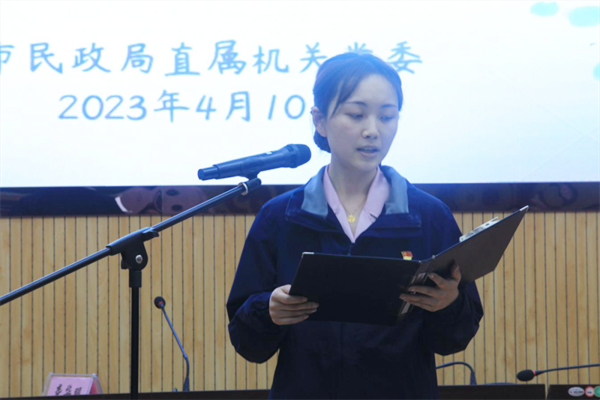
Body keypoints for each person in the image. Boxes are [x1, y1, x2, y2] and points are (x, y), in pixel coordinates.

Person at [226, 53, 483, 400]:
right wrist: (268, 311)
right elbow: (247, 343)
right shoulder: (280, 217)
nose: (373, 130)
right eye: (356, 114)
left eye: (387, 116)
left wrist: (448, 304)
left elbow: (455, 339)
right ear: (320, 121)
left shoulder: (429, 216)